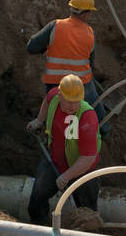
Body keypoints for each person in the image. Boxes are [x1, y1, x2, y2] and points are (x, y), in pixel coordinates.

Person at [25, 74, 102, 226]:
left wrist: (67, 176)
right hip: (55, 160)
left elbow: (88, 158)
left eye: (77, 102)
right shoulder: (54, 96)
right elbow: (47, 101)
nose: (73, 107)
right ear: (60, 96)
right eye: (69, 102)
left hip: (83, 169)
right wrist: (39, 121)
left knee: (87, 210)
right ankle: (38, 228)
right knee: (38, 194)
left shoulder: (87, 118)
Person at [27, 0, 106, 130]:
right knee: (97, 115)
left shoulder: (55, 26)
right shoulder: (90, 34)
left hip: (55, 85)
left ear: (71, 9)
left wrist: (46, 47)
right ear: (86, 14)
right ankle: (101, 133)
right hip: (82, 86)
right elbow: (90, 64)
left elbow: (31, 47)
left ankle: (51, 129)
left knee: (58, 116)